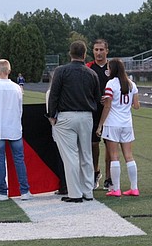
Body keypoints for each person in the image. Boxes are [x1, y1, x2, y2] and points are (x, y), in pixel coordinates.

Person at [48, 40, 101, 203]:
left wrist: (51, 115)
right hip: (86, 116)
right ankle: (88, 191)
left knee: (71, 156)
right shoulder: (92, 73)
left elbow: (54, 94)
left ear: (70, 54)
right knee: (86, 154)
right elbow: (97, 98)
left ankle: (75, 193)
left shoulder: (61, 71)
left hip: (66, 116)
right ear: (85, 54)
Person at [0, 59, 32, 201]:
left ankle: (2, 191)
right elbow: (20, 108)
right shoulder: (17, 87)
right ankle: (25, 190)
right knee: (19, 159)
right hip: (15, 127)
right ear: (9, 71)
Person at [96, 58, 140, 197]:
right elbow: (136, 106)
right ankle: (134, 187)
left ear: (113, 69)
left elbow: (108, 106)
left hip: (112, 123)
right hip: (127, 123)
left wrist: (100, 125)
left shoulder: (111, 83)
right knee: (129, 156)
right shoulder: (131, 84)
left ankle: (116, 189)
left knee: (114, 157)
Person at [86, 39, 112, 190]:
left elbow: (122, 85)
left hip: (110, 112)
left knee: (110, 145)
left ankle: (109, 177)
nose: (99, 53)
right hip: (94, 111)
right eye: (96, 49)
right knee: (93, 144)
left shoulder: (112, 68)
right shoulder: (89, 67)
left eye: (101, 49)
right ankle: (96, 171)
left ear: (107, 51)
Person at [45, 72, 68, 195]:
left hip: (58, 127)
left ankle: (64, 185)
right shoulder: (68, 90)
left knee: (61, 158)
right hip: (68, 126)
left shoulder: (50, 93)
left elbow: (50, 112)